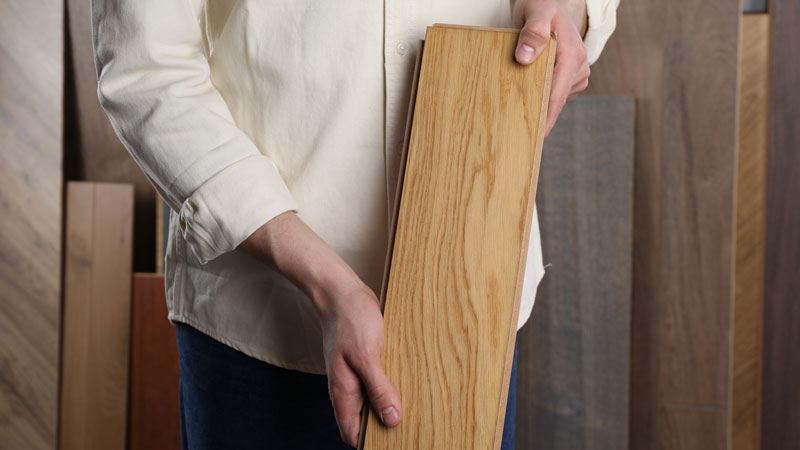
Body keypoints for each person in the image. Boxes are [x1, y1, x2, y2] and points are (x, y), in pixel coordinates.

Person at [92, 0, 618, 448]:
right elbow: (147, 72)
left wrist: (567, 8)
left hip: (473, 297)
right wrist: (328, 286)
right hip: (262, 325)